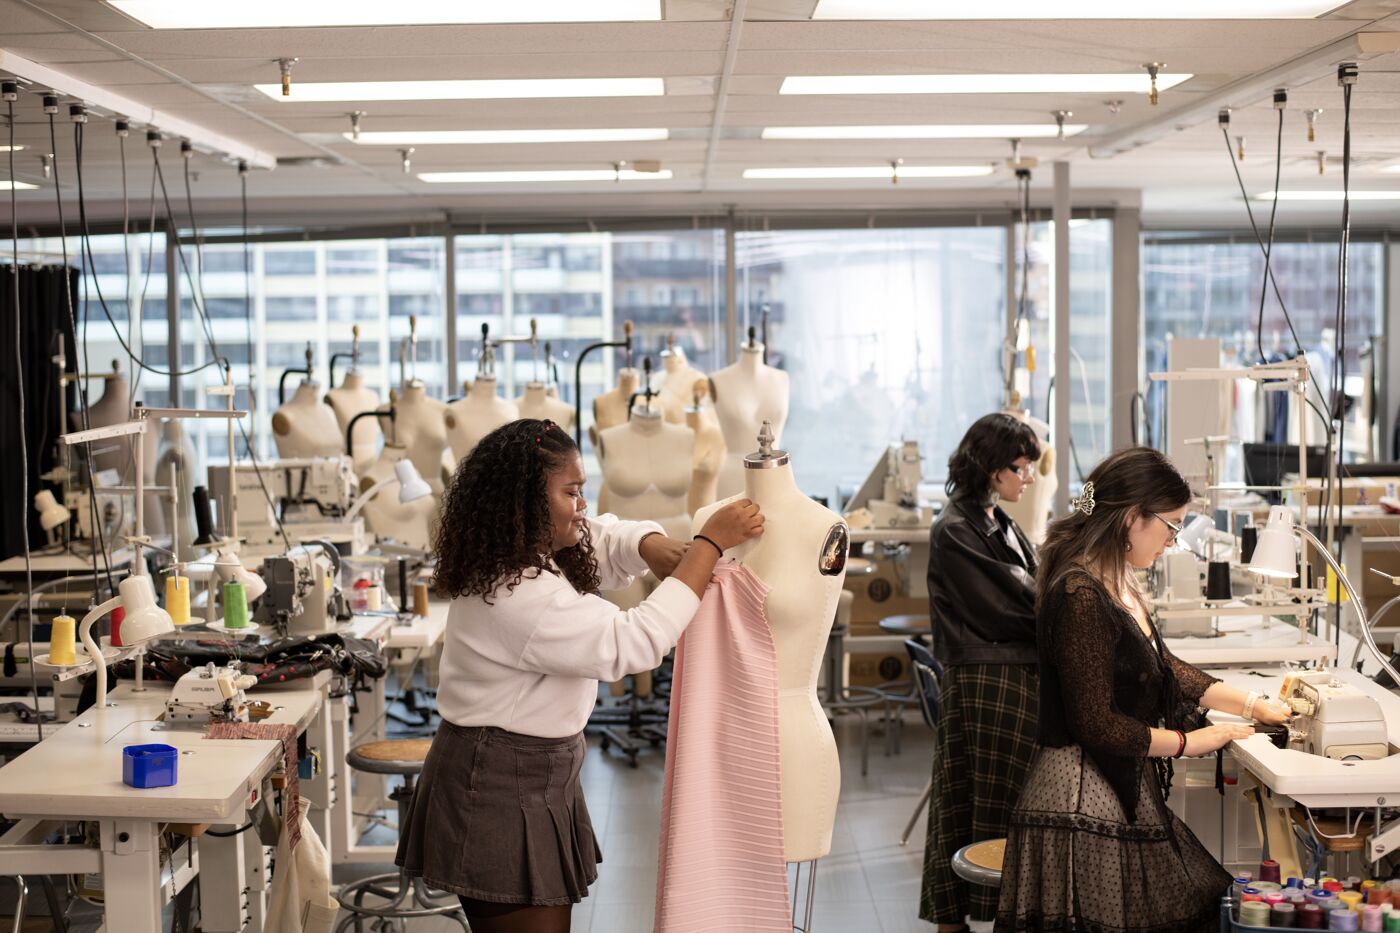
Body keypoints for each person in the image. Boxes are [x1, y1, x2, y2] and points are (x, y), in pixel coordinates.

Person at [395, 418, 764, 933]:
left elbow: (599, 534)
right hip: (501, 783)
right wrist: (708, 546)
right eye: (571, 492)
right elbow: (633, 643)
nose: (582, 505)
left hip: (527, 772)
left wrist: (648, 543)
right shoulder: (518, 592)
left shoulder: (522, 553)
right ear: (525, 502)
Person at [995, 447, 1292, 933]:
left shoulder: (1117, 580)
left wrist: (1252, 703)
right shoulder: (1081, 594)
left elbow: (1163, 666)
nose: (1174, 541)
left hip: (1111, 785)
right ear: (1134, 517)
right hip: (1080, 799)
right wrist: (1191, 742)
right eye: (1172, 525)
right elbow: (1096, 723)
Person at [920, 412, 1043, 932]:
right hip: (991, 681)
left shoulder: (994, 519)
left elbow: (1029, 583)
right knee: (988, 801)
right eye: (1020, 467)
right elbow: (1014, 607)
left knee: (971, 798)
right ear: (992, 469)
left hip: (1002, 676)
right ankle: (978, 916)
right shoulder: (956, 530)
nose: (1029, 478)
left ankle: (960, 918)